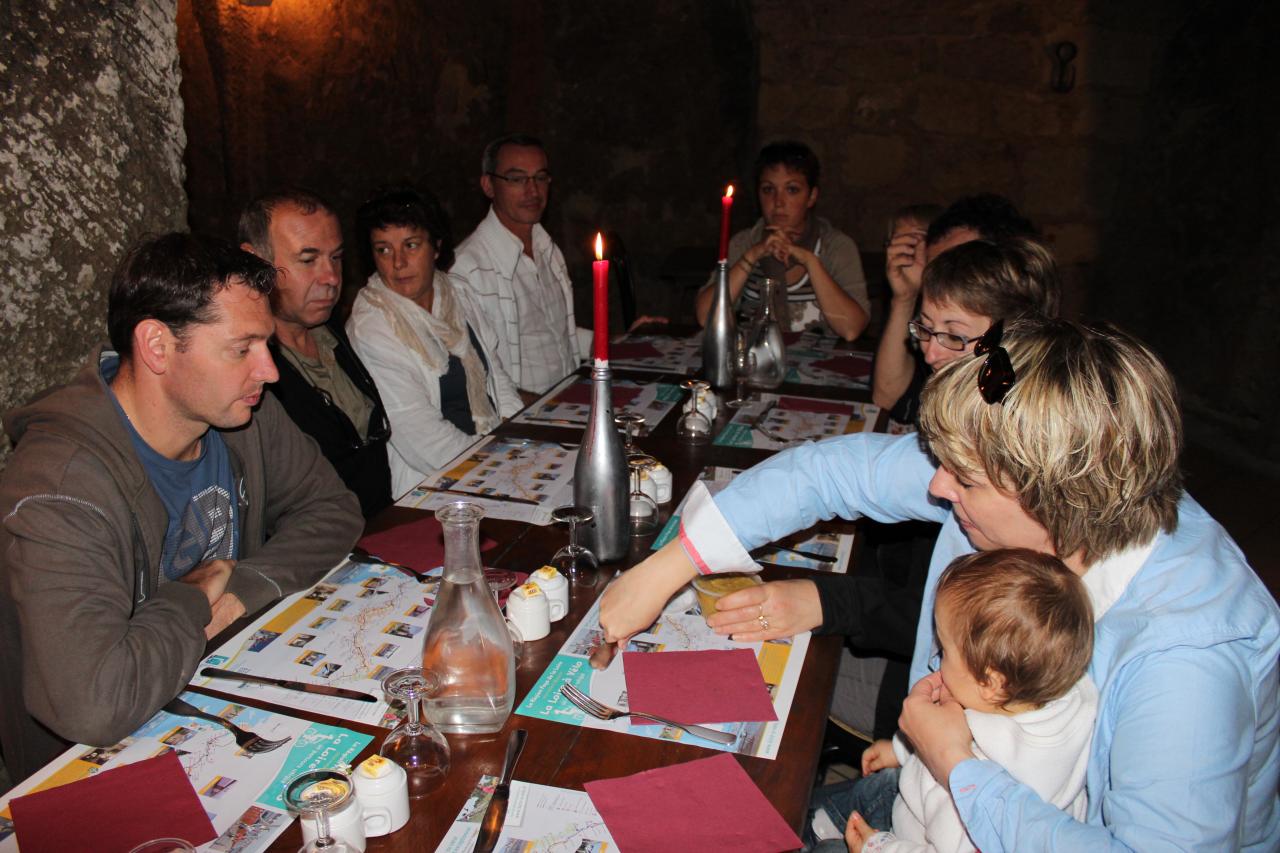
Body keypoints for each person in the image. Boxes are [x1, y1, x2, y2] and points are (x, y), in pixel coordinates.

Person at [599, 317, 1280, 850]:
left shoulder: (1189, 656)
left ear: (1053, 498)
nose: (935, 486)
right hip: (932, 796)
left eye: (966, 480)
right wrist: (668, 566)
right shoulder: (1038, 496)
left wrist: (955, 761)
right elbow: (827, 473)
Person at [0, 234, 362, 781]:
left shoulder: (241, 414)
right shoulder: (59, 488)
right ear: (157, 347)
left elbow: (333, 508)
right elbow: (92, 702)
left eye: (265, 345)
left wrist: (241, 588)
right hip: (94, 770)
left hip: (219, 705)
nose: (269, 371)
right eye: (242, 349)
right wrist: (195, 594)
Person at [817, 548, 1097, 853]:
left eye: (945, 650)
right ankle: (821, 826)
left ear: (991, 682)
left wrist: (879, 847)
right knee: (874, 790)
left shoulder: (982, 785)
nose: (936, 656)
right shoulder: (1055, 693)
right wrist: (904, 749)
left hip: (916, 838)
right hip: (915, 794)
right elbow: (941, 737)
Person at [347, 185, 523, 498]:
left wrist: (520, 442)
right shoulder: (371, 326)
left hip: (490, 460)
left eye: (411, 245)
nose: (397, 262)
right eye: (383, 250)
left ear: (436, 247)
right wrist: (499, 469)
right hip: (431, 486)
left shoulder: (457, 293)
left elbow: (497, 380)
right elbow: (422, 439)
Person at [238, 189, 394, 517]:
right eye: (308, 260)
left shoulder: (329, 329)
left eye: (336, 257)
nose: (331, 278)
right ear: (254, 262)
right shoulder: (249, 371)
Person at [873, 194, 1036, 422]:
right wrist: (905, 298)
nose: (931, 355)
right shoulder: (938, 331)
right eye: (937, 266)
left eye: (963, 266)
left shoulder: (1028, 405)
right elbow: (891, 401)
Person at [694, 140, 869, 340]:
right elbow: (705, 316)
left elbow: (851, 329)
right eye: (768, 190)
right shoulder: (744, 243)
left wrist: (810, 262)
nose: (778, 202)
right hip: (756, 361)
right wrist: (752, 256)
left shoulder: (836, 246)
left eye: (792, 190)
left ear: (811, 196)